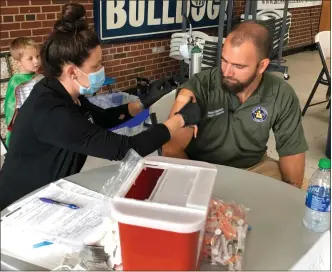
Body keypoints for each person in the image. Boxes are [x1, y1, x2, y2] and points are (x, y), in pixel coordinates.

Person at [0, 3, 202, 210]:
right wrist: (181, 119)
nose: (101, 70)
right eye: (96, 66)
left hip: (50, 190)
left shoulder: (62, 90)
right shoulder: (52, 111)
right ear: (72, 72)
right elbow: (127, 149)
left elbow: (100, 119)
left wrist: (143, 102)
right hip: (21, 204)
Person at [163, 21, 309, 188]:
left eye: (238, 66)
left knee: (303, 195)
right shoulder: (201, 86)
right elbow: (171, 148)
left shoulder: (281, 94)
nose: (226, 72)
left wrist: (291, 194)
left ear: (262, 66)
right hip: (201, 167)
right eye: (224, 61)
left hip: (255, 167)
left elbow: (292, 156)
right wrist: (201, 185)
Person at [4, 37, 44, 147]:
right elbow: (16, 110)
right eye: (30, 58)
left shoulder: (40, 78)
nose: (36, 61)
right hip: (28, 123)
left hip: (42, 120)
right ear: (18, 62)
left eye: (37, 56)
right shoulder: (17, 83)